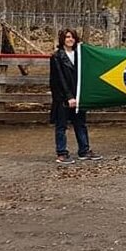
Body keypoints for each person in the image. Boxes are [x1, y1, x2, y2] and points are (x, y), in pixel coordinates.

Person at [49, 29, 101, 164]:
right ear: (62, 39)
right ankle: (62, 153)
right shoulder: (57, 56)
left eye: (72, 37)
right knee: (61, 126)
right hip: (63, 97)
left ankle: (84, 150)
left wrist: (80, 95)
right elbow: (59, 79)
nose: (70, 39)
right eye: (67, 37)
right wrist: (68, 97)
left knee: (81, 124)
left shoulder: (80, 54)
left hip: (78, 95)